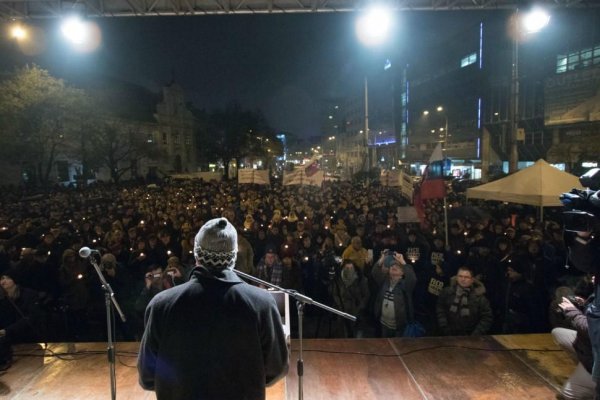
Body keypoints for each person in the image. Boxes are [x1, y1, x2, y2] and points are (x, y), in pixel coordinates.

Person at [138, 217, 288, 400]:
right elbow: (277, 368)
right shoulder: (262, 303)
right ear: (233, 257)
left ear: (196, 255)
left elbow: (147, 376)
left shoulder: (161, 305)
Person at [436, 266, 493, 336]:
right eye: (460, 276)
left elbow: (486, 318)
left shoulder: (479, 297)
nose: (463, 279)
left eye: (466, 277)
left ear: (472, 280)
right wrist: (444, 326)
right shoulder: (447, 292)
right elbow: (440, 308)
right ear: (456, 278)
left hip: (471, 335)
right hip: (447, 333)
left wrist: (476, 334)